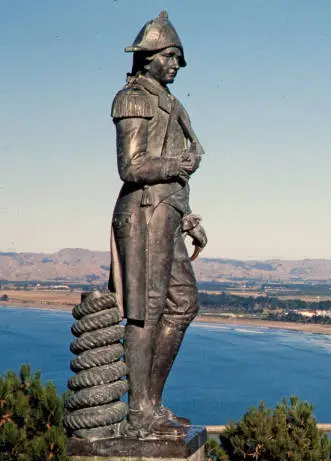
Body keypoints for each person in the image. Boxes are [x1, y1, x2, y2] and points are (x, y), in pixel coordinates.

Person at [109, 11, 207, 438]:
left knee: (183, 304)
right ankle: (138, 411)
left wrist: (189, 218)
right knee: (145, 313)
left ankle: (153, 402)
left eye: (178, 58)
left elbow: (178, 172)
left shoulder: (173, 104)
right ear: (148, 56)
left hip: (168, 215)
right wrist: (176, 164)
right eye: (170, 55)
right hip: (144, 212)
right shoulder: (133, 99)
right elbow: (131, 167)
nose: (176, 65)